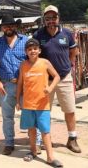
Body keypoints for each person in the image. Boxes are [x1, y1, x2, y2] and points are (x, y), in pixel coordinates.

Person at [0, 15, 42, 155]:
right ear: (2, 28)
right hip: (6, 85)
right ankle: (9, 143)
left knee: (31, 114)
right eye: (5, 26)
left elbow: (34, 61)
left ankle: (36, 143)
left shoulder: (26, 41)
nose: (8, 28)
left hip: (25, 85)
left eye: (11, 25)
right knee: (7, 116)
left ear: (16, 26)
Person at [33, 5, 81, 153]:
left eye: (54, 17)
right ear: (44, 20)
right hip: (45, 80)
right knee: (44, 111)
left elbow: (73, 51)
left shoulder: (67, 33)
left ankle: (72, 139)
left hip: (64, 77)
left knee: (70, 110)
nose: (51, 21)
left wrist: (70, 64)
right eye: (48, 18)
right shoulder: (38, 35)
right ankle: (42, 139)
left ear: (58, 18)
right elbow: (34, 55)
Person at [16, 38, 62, 167]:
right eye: (30, 49)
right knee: (31, 130)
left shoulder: (45, 63)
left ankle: (50, 157)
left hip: (42, 104)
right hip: (27, 104)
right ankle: (33, 151)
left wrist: (50, 88)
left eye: (35, 49)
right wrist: (17, 100)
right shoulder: (23, 65)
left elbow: (57, 76)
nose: (32, 51)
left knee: (45, 130)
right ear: (26, 51)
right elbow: (20, 83)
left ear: (39, 50)